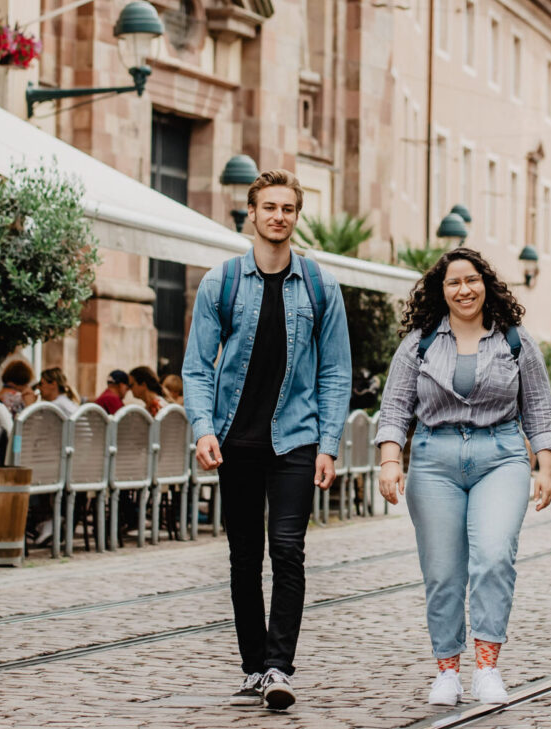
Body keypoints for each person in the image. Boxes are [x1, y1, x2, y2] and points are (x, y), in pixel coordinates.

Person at [182, 168, 351, 712]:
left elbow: (335, 373)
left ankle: (279, 666)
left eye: (288, 208)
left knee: (288, 551)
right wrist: (204, 428)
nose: (278, 216)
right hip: (236, 440)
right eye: (269, 207)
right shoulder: (221, 283)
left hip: (296, 439)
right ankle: (254, 666)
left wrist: (328, 444)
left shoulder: (321, 286)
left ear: (296, 217)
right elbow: (197, 369)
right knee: (243, 556)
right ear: (250, 214)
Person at [374, 247, 551, 707]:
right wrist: (390, 460)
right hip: (434, 458)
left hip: (501, 456)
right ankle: (447, 671)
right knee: (442, 571)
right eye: (454, 282)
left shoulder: (514, 340)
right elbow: (395, 407)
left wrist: (546, 465)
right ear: (442, 291)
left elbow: (538, 405)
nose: (464, 289)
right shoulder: (418, 344)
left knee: (494, 557)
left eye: (471, 280)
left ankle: (488, 668)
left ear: (485, 284)